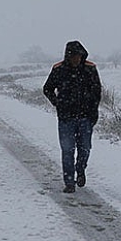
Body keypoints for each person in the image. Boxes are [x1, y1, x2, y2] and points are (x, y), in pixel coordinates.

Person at [43, 40, 102, 193]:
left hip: (85, 117)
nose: (77, 59)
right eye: (74, 56)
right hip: (66, 118)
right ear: (68, 56)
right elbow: (47, 89)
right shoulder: (58, 69)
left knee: (85, 148)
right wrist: (58, 103)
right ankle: (69, 182)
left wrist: (93, 112)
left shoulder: (90, 69)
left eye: (79, 56)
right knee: (67, 149)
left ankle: (80, 169)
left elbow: (97, 92)